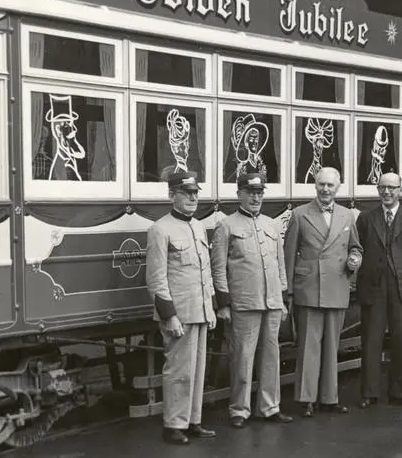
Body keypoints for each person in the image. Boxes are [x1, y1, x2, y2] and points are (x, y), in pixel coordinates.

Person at [210, 173, 293, 429]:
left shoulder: (271, 225)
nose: (256, 197)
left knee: (271, 357)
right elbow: (218, 268)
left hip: (270, 302)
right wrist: (223, 303)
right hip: (244, 303)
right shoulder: (226, 226)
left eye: (259, 193)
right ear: (239, 195)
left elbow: (280, 265)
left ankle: (269, 407)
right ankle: (239, 409)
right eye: (250, 192)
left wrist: (281, 298)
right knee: (242, 358)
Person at [145, 171, 218, 445]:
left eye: (195, 193)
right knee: (178, 370)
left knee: (198, 369)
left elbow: (206, 271)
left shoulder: (198, 226)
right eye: (186, 193)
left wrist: (210, 307)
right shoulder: (159, 229)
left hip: (199, 310)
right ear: (171, 195)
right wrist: (169, 315)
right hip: (179, 313)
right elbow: (156, 278)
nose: (193, 197)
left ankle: (193, 420)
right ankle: (173, 424)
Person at [284, 166, 363, 417]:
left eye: (330, 185)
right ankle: (306, 399)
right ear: (315, 186)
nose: (325, 189)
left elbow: (356, 247)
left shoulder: (347, 216)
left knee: (332, 346)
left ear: (338, 188)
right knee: (308, 347)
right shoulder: (299, 215)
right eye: (321, 185)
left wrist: (354, 259)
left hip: (337, 285)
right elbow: (288, 256)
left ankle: (329, 398)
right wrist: (288, 293)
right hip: (309, 288)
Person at [355, 173, 402, 409]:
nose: (387, 192)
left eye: (392, 188)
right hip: (373, 286)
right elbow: (360, 248)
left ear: (400, 190)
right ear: (377, 189)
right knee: (371, 341)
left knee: (401, 340)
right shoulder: (365, 218)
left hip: (401, 286)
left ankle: (400, 392)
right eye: (383, 188)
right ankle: (370, 393)